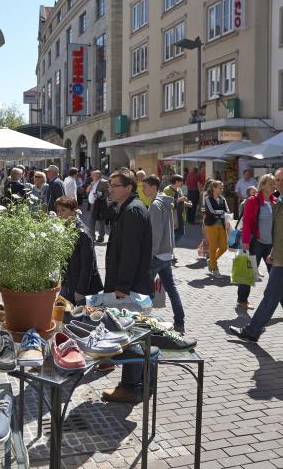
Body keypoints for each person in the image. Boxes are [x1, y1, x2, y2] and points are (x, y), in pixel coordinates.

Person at [230, 167, 283, 342]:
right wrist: (273, 251)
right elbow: (280, 232)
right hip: (281, 257)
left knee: (271, 295)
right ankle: (252, 330)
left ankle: (253, 330)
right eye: (277, 180)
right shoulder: (280, 201)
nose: (279, 183)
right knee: (270, 294)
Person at [102, 169, 153, 404]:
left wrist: (121, 287)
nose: (110, 189)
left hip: (131, 287)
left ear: (129, 188)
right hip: (132, 284)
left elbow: (130, 254)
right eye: (110, 185)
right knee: (136, 335)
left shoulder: (133, 210)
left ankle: (131, 387)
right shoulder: (128, 208)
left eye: (115, 185)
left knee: (130, 337)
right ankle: (143, 384)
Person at [142, 175, 186, 333]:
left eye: (145, 187)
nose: (143, 190)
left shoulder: (155, 205)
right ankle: (179, 322)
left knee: (145, 290)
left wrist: (151, 253)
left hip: (157, 254)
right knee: (171, 289)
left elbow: (156, 233)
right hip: (167, 252)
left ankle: (144, 323)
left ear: (154, 188)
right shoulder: (165, 201)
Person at [55, 196, 103, 304]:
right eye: (58, 210)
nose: (59, 214)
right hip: (68, 283)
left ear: (74, 211)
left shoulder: (82, 233)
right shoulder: (65, 228)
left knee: (80, 314)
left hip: (82, 288)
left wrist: (80, 291)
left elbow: (88, 265)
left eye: (63, 210)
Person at [203, 180, 230, 278]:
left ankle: (211, 260)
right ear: (214, 188)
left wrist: (223, 215)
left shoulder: (223, 198)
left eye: (222, 188)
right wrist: (222, 213)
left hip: (222, 225)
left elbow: (227, 211)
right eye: (220, 188)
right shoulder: (208, 198)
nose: (222, 189)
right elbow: (211, 211)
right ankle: (214, 269)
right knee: (213, 247)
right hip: (211, 225)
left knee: (224, 247)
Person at [163, 174, 191, 247]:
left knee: (181, 232)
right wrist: (181, 199)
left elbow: (181, 201)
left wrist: (187, 204)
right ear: (176, 182)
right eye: (181, 181)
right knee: (171, 233)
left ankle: (171, 245)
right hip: (171, 215)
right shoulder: (167, 190)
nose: (182, 183)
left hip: (180, 215)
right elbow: (167, 202)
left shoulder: (179, 189)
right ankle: (169, 247)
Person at [86, 170, 109, 243]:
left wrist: (100, 195)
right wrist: (88, 190)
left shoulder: (104, 182)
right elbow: (88, 192)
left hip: (100, 205)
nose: (91, 176)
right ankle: (92, 237)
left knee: (100, 222)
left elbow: (108, 192)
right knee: (91, 222)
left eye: (93, 175)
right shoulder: (92, 182)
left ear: (97, 175)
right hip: (92, 205)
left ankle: (101, 237)